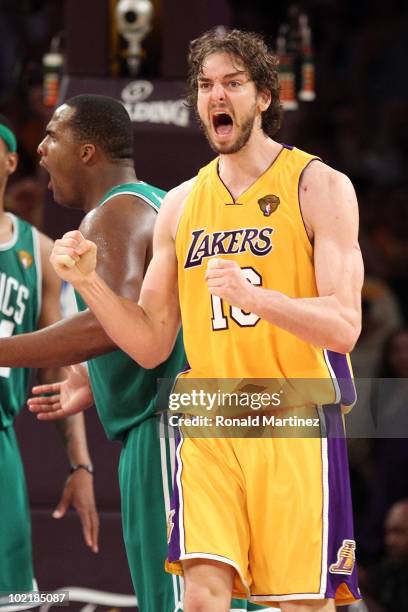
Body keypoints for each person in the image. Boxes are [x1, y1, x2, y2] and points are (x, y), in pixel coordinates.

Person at [49, 29, 365, 611]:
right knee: (199, 596)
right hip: (211, 418)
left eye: (233, 84)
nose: (217, 96)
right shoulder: (181, 204)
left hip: (293, 417)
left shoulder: (319, 185)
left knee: (298, 605)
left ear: (264, 97)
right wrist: (88, 281)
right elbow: (149, 343)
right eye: (205, 86)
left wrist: (257, 296)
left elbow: (344, 324)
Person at [0, 96, 262, 612]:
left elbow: (106, 325)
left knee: (177, 602)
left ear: (88, 151)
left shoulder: (115, 212)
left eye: (53, 136)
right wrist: (95, 384)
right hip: (217, 424)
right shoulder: (159, 203)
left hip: (169, 430)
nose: (42, 148)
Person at [0, 115, 98, 597]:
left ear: (10, 161)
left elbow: (59, 367)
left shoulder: (38, 254)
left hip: (2, 446)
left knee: (9, 597)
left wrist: (81, 465)